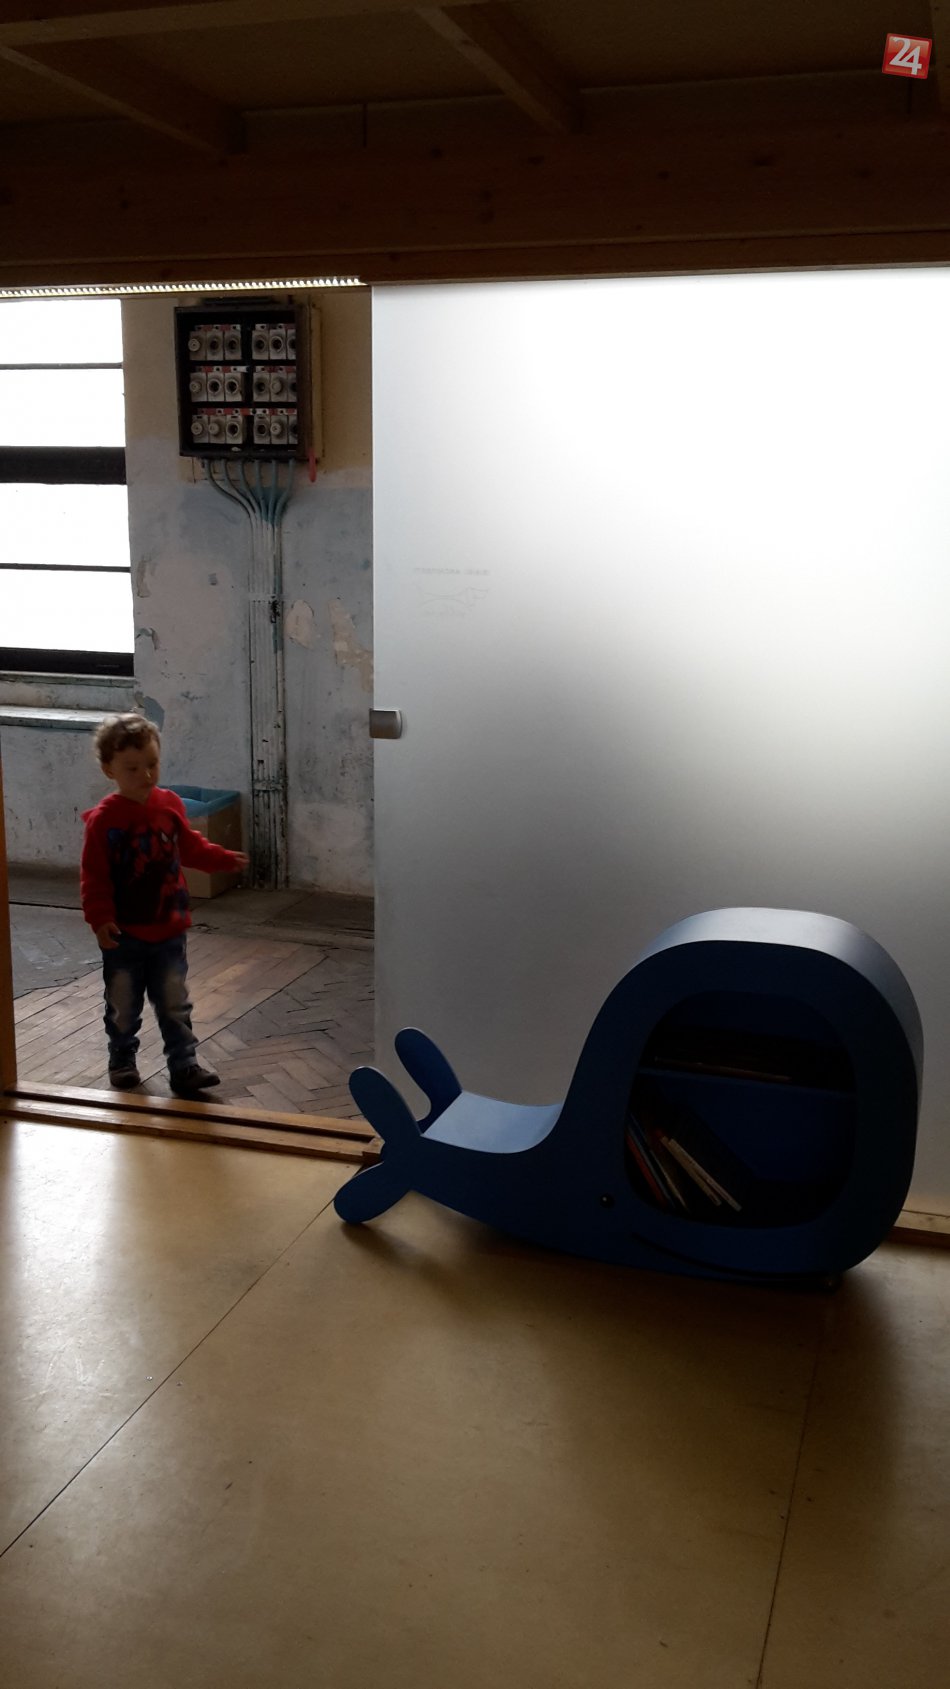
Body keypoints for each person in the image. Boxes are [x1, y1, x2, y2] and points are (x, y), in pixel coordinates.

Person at [80, 712, 248, 1097]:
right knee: (123, 1003)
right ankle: (122, 1059)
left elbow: (190, 846)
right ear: (109, 770)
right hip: (124, 934)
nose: (146, 775)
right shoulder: (104, 821)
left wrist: (221, 858)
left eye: (152, 764)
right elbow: (94, 876)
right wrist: (100, 919)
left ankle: (184, 1066)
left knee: (174, 1001)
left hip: (169, 928)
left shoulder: (169, 804)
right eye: (132, 768)